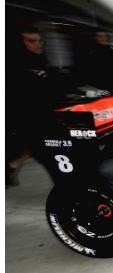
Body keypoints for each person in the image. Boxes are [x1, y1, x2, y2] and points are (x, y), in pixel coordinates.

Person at [5, 25, 72, 186]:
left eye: (39, 41)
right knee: (48, 151)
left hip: (41, 116)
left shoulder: (39, 61)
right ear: (20, 43)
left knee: (35, 149)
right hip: (25, 118)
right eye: (31, 41)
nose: (38, 44)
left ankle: (8, 168)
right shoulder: (12, 66)